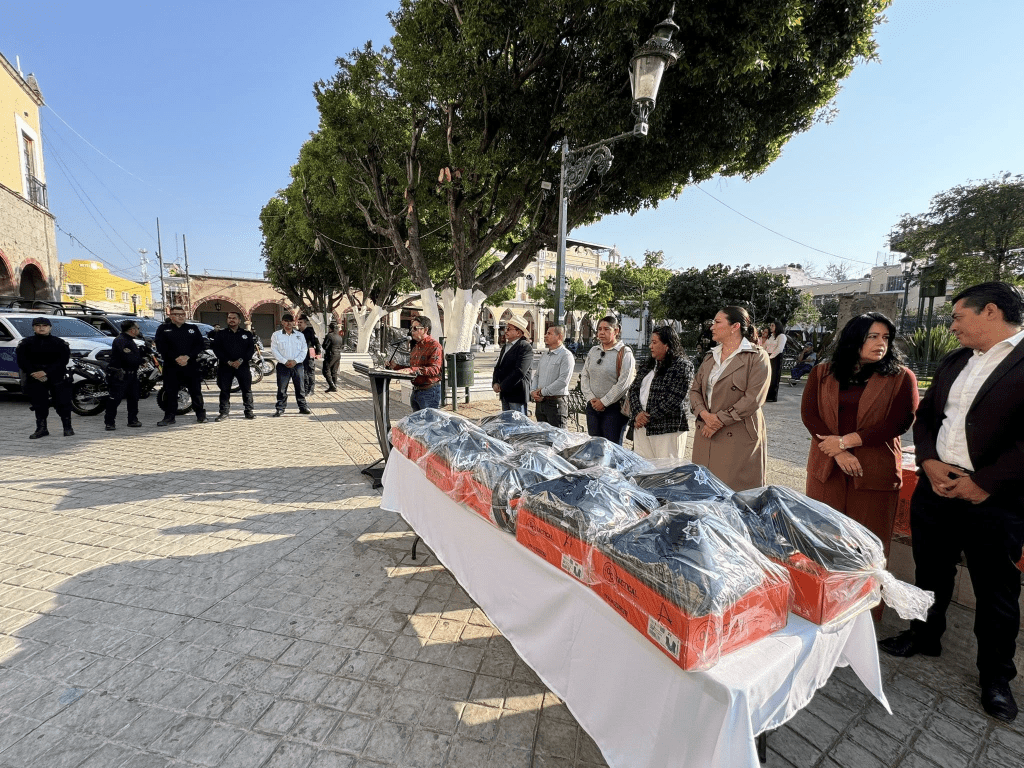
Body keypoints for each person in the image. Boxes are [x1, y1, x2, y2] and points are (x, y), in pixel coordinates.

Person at [879, 282, 1024, 724]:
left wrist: (984, 483)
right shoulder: (956, 360)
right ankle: (924, 635)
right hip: (937, 488)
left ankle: (995, 677)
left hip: (996, 499)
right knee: (930, 571)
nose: (952, 325)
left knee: (996, 590)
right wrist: (927, 460)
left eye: (959, 316)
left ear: (990, 312)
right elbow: (927, 417)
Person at [800, 312, 918, 561]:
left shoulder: (900, 377)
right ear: (854, 338)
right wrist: (839, 452)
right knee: (823, 540)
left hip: (873, 471)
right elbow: (810, 415)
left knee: (868, 547)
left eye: (886, 337)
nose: (881, 343)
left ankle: (867, 589)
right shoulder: (822, 373)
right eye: (872, 336)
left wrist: (846, 442)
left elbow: (899, 422)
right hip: (827, 469)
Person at [689, 306, 771, 491]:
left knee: (734, 495)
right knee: (705, 491)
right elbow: (695, 390)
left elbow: (753, 399)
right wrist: (705, 415)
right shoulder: (711, 356)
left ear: (735, 326)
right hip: (706, 433)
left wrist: (718, 420)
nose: (712, 327)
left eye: (717, 322)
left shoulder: (757, 357)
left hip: (737, 436)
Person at [626, 326, 694, 460]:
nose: (650, 346)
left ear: (667, 345)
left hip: (667, 428)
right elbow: (633, 390)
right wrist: (638, 413)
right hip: (641, 426)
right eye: (650, 342)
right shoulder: (648, 365)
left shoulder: (682, 366)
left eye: (654, 342)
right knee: (644, 466)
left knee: (667, 469)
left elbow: (674, 398)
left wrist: (646, 417)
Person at [580, 315, 635, 444]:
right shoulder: (594, 351)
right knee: (595, 446)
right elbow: (585, 375)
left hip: (614, 410)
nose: (601, 333)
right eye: (599, 329)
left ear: (616, 331)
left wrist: (604, 402)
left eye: (606, 329)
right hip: (592, 407)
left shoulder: (625, 353)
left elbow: (624, 383)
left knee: (611, 448)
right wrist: (591, 398)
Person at [16, 317, 74, 438]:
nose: (41, 328)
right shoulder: (26, 343)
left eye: (44, 326)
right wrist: (33, 372)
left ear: (50, 327)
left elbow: (62, 361)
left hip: (56, 376)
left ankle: (67, 428)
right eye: (38, 326)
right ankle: (41, 429)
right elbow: (22, 361)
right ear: (33, 328)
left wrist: (46, 372)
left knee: (62, 402)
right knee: (39, 403)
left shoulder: (59, 343)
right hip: (35, 377)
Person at [155, 306, 207, 426]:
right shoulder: (163, 329)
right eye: (177, 314)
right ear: (171, 316)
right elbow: (161, 346)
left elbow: (200, 345)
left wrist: (188, 356)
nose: (181, 316)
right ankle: (169, 416)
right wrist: (175, 357)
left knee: (195, 391)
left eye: (183, 314)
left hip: (190, 365)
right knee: (170, 392)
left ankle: (200, 414)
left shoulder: (192, 328)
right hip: (171, 366)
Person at [388, 317, 443, 411]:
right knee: (417, 420)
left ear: (425, 329)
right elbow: (413, 368)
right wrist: (396, 367)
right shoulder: (416, 346)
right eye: (411, 328)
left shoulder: (434, 346)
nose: (412, 331)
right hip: (416, 391)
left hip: (429, 392)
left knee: (428, 420)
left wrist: (412, 370)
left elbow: (435, 369)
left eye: (415, 328)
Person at [211, 311, 257, 421]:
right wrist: (228, 361)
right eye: (229, 318)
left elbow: (250, 349)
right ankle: (224, 412)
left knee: (246, 389)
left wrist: (240, 361)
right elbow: (217, 349)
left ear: (239, 321)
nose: (231, 320)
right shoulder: (221, 334)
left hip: (242, 366)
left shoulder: (246, 334)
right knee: (224, 390)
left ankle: (249, 411)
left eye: (234, 318)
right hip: (225, 366)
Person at [530, 325, 575, 428]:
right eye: (546, 333)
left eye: (549, 334)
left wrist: (542, 392)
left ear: (559, 337)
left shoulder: (566, 356)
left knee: (557, 435)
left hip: (555, 403)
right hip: (540, 403)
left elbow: (563, 381)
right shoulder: (544, 355)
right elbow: (537, 375)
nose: (545, 336)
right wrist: (533, 391)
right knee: (542, 435)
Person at [104, 319, 145, 430]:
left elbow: (134, 355)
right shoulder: (121, 340)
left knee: (133, 398)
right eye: (137, 328)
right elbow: (129, 358)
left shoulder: (130, 340)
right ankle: (109, 422)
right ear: (132, 330)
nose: (139, 331)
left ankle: (132, 420)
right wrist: (141, 360)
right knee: (115, 399)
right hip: (120, 375)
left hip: (132, 375)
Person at [492, 315, 534, 415]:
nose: (506, 331)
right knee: (507, 421)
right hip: (505, 393)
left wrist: (502, 385)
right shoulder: (506, 346)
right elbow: (498, 366)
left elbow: (520, 371)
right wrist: (495, 382)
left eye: (509, 329)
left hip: (517, 394)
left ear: (518, 333)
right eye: (506, 328)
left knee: (517, 422)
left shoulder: (525, 347)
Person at [270, 313, 311, 417]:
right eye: (286, 321)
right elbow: (274, 350)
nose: (288, 323)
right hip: (283, 365)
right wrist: (284, 361)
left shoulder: (300, 335)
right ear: (282, 322)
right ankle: (280, 408)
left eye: (290, 321)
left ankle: (303, 407)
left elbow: (304, 350)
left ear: (294, 322)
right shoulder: (276, 335)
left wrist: (295, 361)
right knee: (282, 389)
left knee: (300, 387)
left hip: (297, 365)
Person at [763, 319, 788, 402]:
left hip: (776, 357)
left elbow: (779, 349)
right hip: (768, 356)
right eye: (770, 325)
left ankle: (772, 396)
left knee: (774, 376)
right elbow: (765, 346)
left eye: (772, 325)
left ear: (777, 326)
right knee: (767, 376)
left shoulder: (781, 336)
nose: (771, 327)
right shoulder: (771, 336)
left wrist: (771, 357)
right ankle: (766, 395)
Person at [297, 316, 322, 396]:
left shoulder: (310, 331)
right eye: (298, 322)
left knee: (310, 372)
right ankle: (305, 389)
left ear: (305, 323)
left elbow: (316, 342)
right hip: (300, 356)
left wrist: (318, 352)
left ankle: (311, 390)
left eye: (301, 322)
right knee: (303, 373)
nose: (299, 324)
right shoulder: (297, 333)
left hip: (308, 355)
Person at [321, 321, 344, 393]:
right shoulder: (339, 337)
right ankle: (334, 385)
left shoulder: (329, 336)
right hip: (338, 355)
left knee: (326, 370)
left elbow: (325, 346)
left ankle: (332, 386)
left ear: (330, 328)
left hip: (330, 355)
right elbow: (341, 346)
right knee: (334, 371)